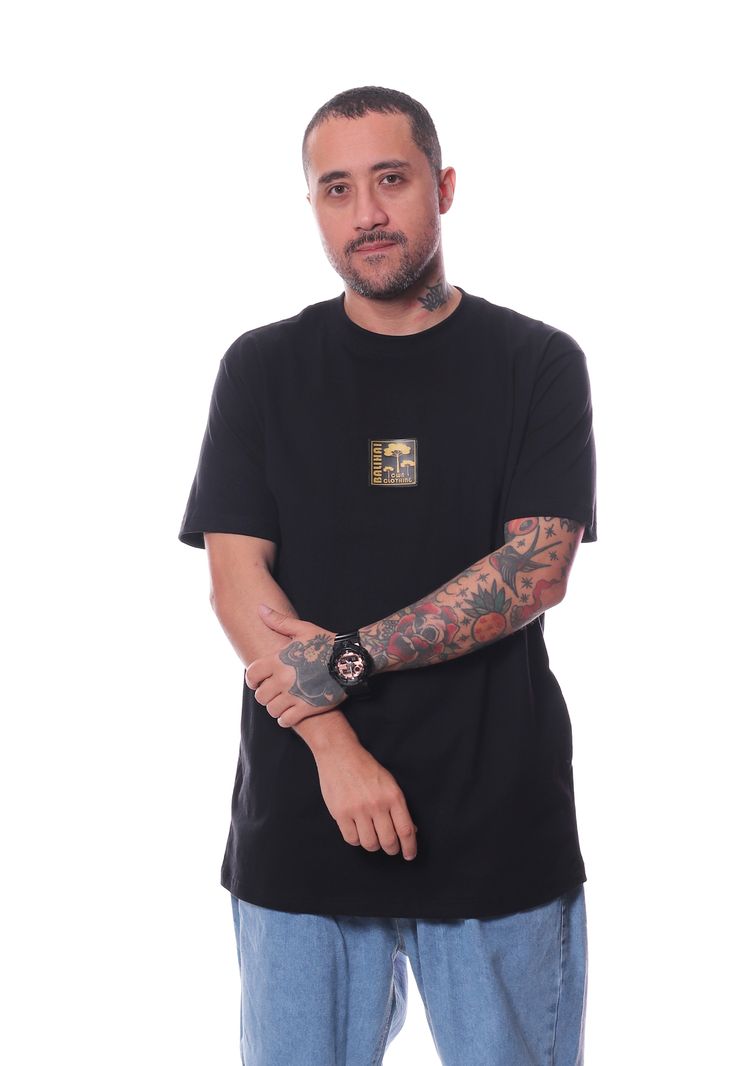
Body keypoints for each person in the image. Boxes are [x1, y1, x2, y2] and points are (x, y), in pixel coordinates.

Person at [178, 85, 597, 1066]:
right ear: (312, 206)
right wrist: (335, 748)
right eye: (336, 189)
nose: (365, 212)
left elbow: (534, 571)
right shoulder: (262, 368)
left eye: (390, 180)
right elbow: (237, 583)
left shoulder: (535, 362)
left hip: (494, 827)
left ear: (442, 187)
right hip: (303, 822)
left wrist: (350, 657)